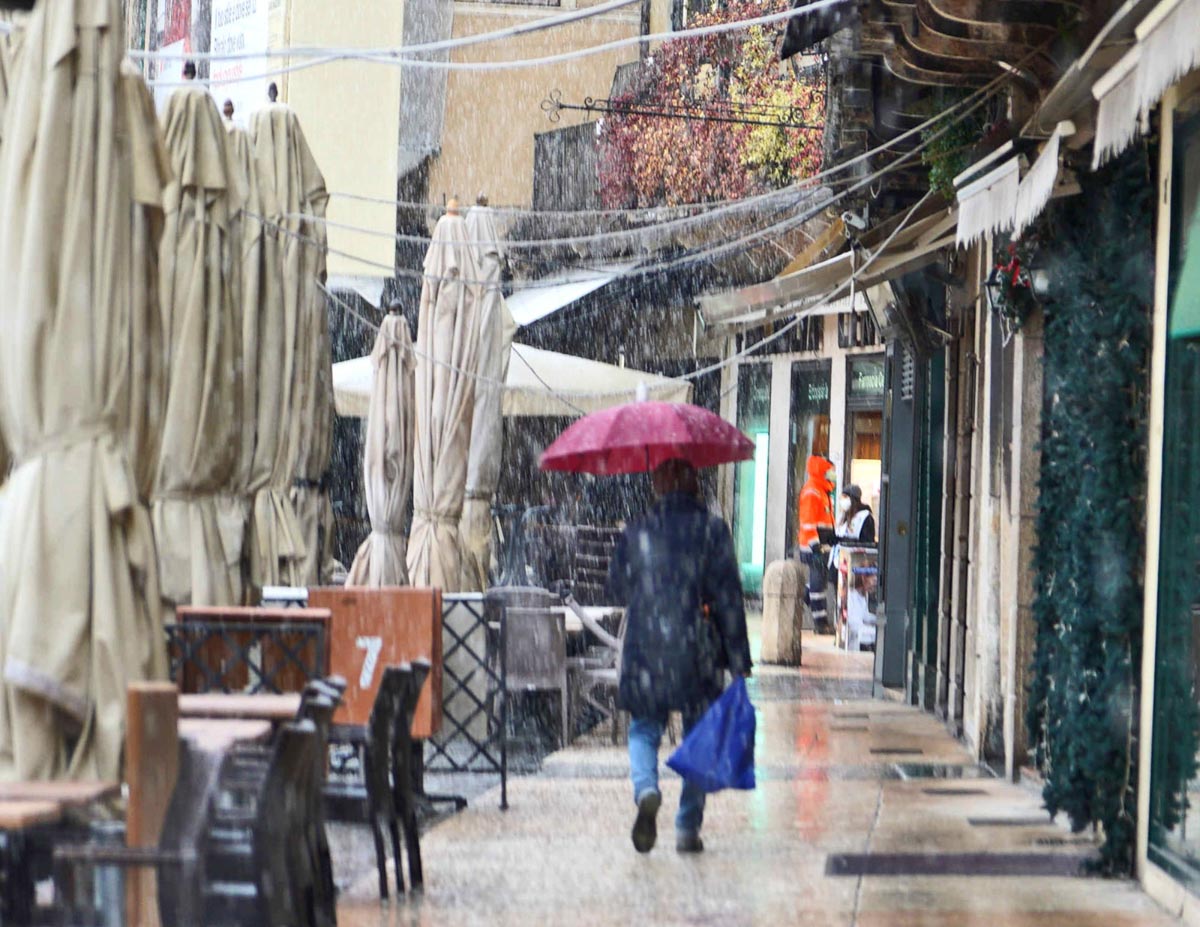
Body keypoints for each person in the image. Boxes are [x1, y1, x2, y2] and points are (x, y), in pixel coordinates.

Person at [607, 458, 752, 856]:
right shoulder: (712, 530)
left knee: (643, 729)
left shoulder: (638, 530)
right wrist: (738, 659)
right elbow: (729, 600)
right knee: (698, 738)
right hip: (697, 648)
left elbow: (615, 586)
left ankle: (646, 789)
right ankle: (687, 827)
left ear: (659, 483)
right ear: (693, 482)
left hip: (646, 647)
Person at [796, 455, 836, 632]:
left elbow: (824, 521)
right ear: (822, 470)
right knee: (818, 586)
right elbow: (808, 521)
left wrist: (832, 538)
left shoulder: (822, 491)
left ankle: (798, 597)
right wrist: (815, 545)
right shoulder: (813, 491)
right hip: (814, 548)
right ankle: (821, 624)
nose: (833, 474)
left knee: (817, 584)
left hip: (821, 546)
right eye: (831, 471)